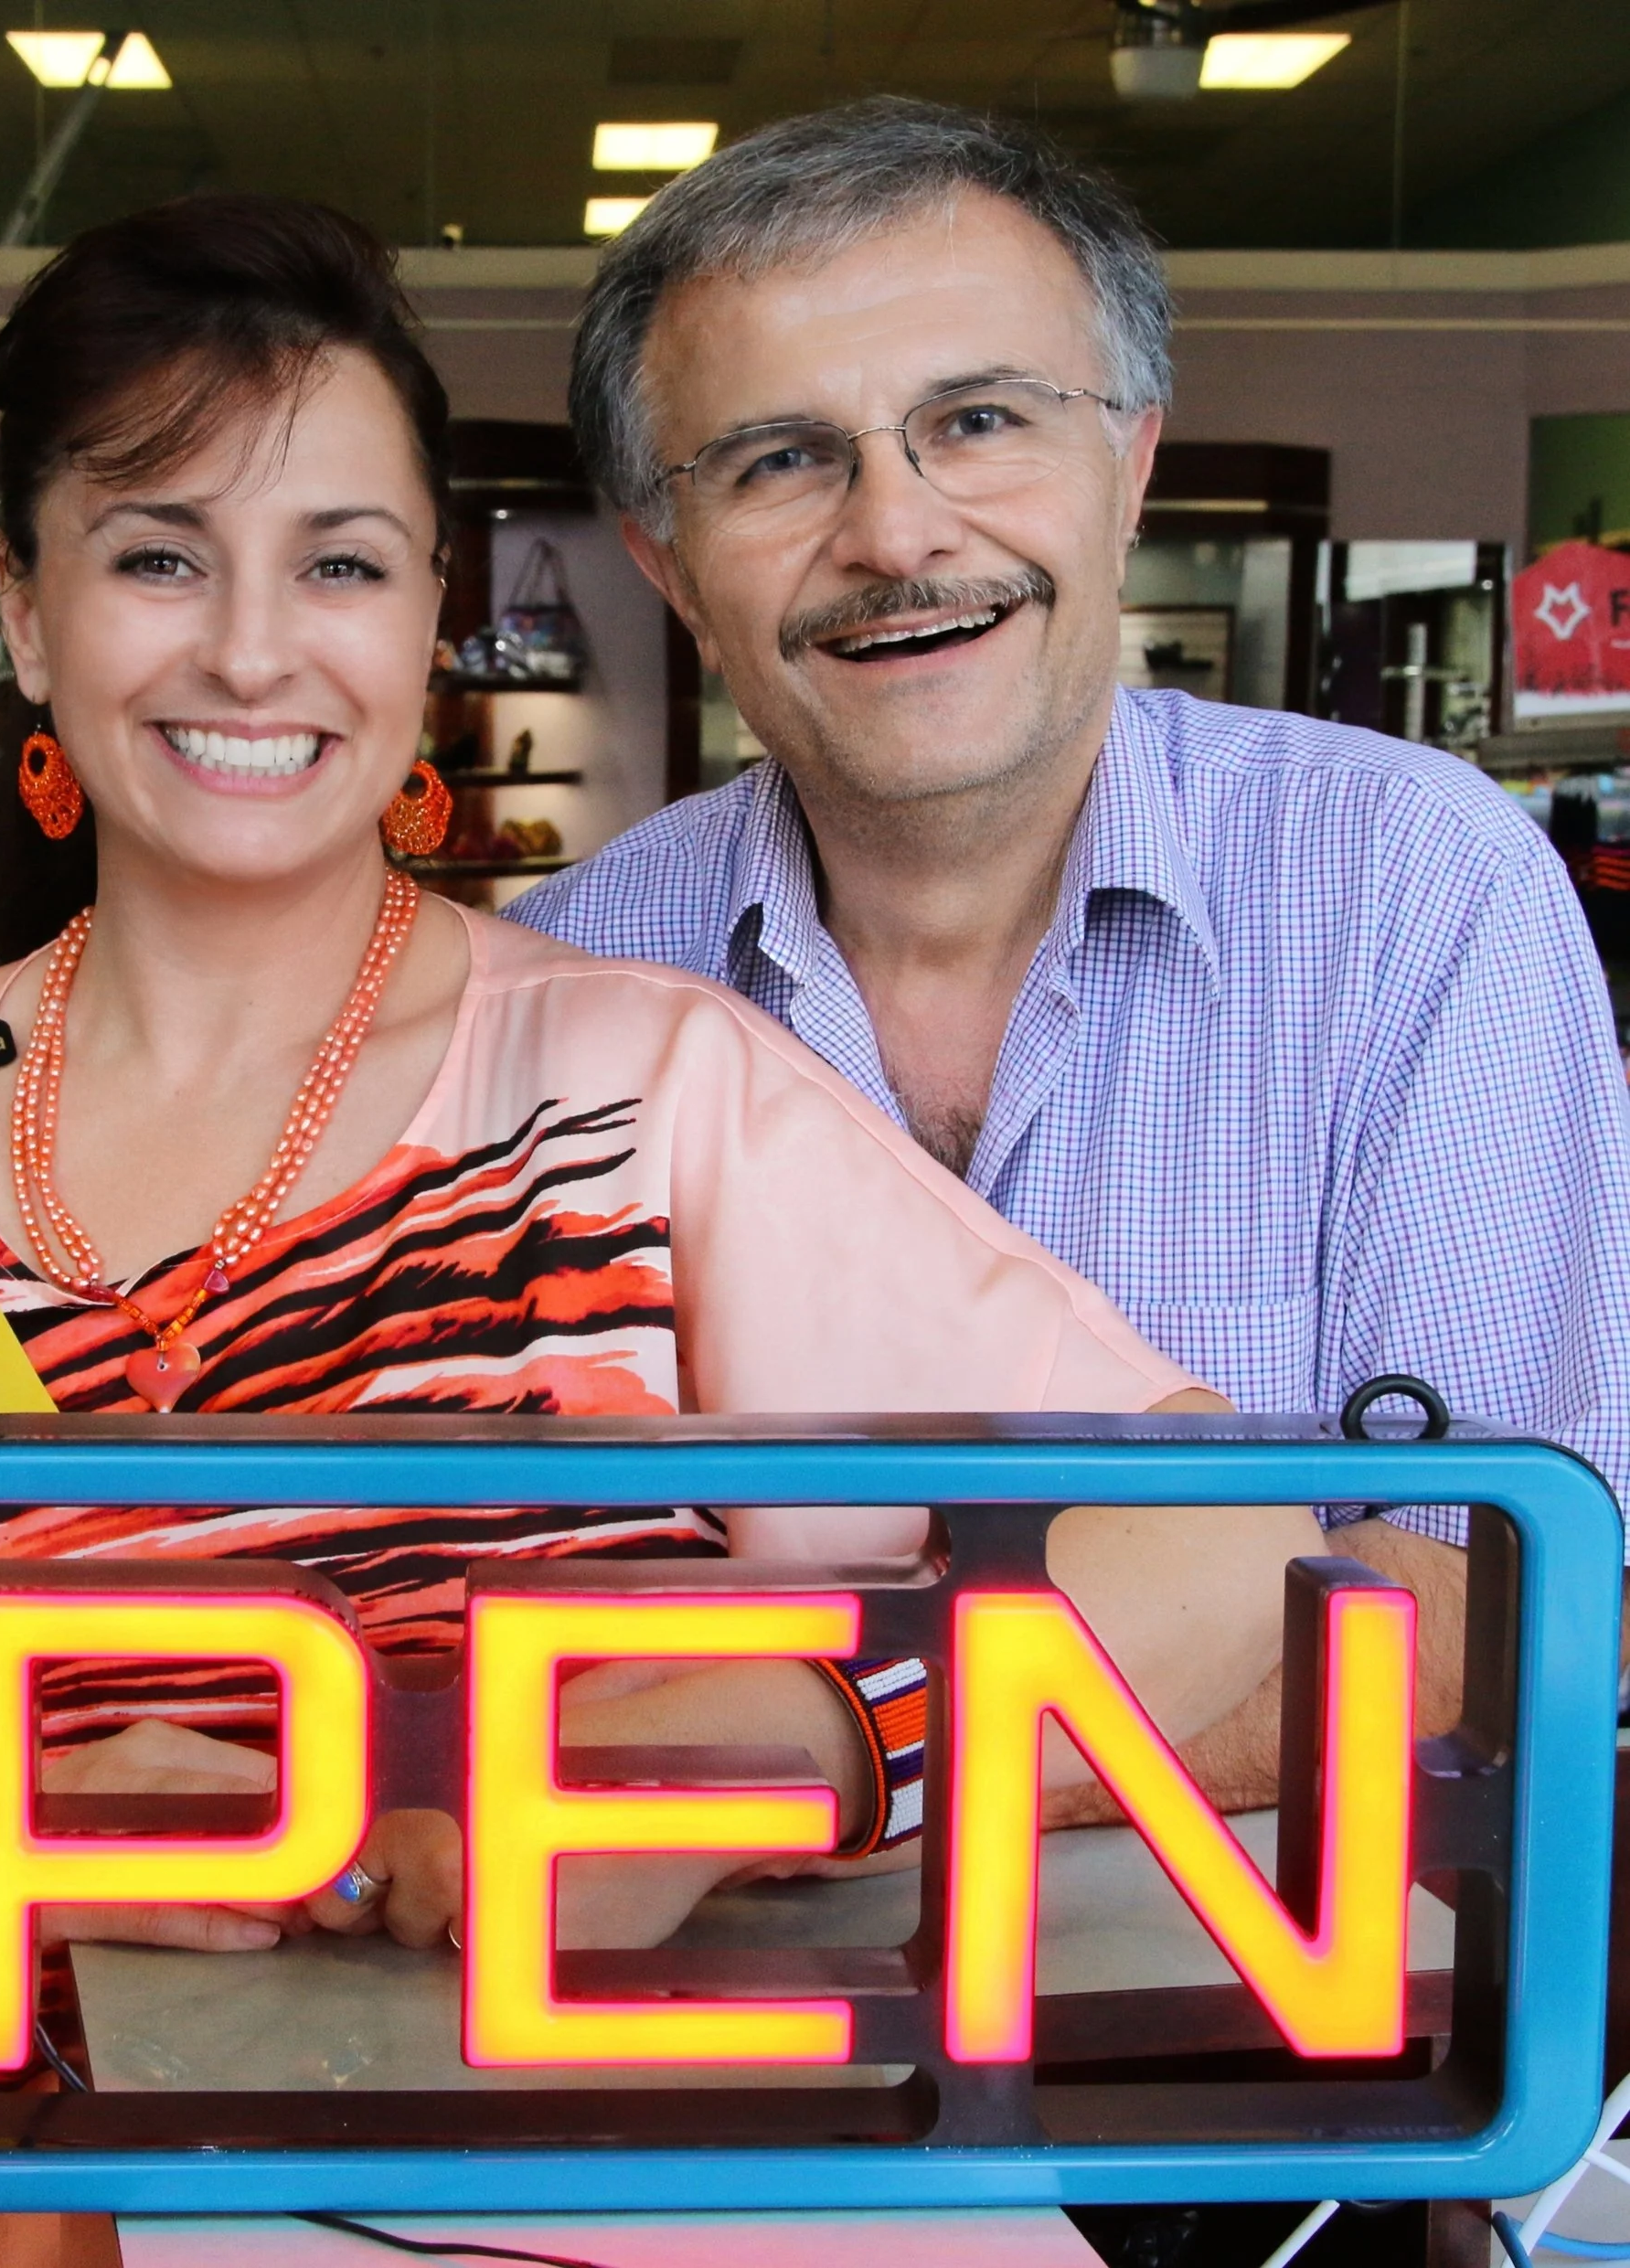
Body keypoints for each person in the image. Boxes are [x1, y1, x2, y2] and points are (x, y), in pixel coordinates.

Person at [0, 195, 1297, 2268]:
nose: (253, 648)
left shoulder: (632, 1092)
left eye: (339, 564)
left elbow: (1227, 1535)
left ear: (428, 612)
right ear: (23, 610)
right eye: (158, 554)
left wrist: (777, 1741)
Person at [513, 97, 1630, 1806]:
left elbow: (1504, 1617)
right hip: (686, 2030)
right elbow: (509, 1622)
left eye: (976, 420)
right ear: (669, 562)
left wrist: (826, 1763)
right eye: (781, 459)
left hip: (1287, 2039)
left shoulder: (1419, 893)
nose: (896, 534)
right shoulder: (561, 975)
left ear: (1132, 465)